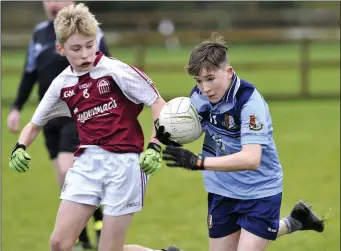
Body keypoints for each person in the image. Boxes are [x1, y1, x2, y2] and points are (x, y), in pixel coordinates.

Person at [8, 3, 180, 251]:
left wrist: (154, 146)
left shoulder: (116, 70)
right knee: (59, 243)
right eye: (76, 49)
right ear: (61, 49)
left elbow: (158, 103)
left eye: (90, 45)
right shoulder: (62, 84)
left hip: (125, 165)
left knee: (109, 250)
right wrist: (20, 146)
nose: (86, 54)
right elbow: (35, 123)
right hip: (87, 164)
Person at [157, 33, 325, 251]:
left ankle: (293, 222)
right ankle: (297, 221)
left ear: (228, 72)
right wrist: (174, 137)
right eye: (198, 81)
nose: (204, 88)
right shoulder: (198, 97)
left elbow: (251, 158)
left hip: (260, 191)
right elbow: (196, 128)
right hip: (222, 190)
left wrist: (199, 163)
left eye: (210, 79)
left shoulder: (249, 103)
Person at [6, 1, 109, 248]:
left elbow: (107, 69)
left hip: (78, 114)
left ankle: (89, 224)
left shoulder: (90, 30)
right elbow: (29, 72)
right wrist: (16, 107)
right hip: (48, 118)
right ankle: (89, 227)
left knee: (67, 170)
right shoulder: (39, 34)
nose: (54, 4)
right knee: (63, 180)